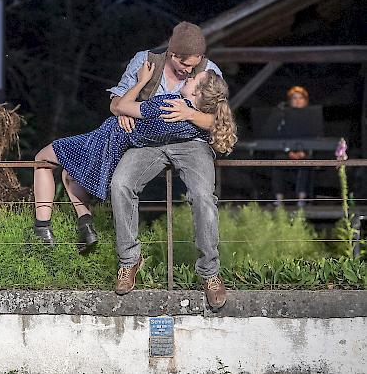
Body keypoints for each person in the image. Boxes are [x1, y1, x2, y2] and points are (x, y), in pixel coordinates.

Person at [32, 64, 235, 254]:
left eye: (193, 79)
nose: (188, 77)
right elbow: (215, 124)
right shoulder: (192, 126)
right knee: (70, 173)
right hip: (118, 148)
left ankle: (42, 230)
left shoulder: (167, 105)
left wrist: (141, 81)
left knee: (42, 158)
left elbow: (121, 106)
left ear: (197, 92)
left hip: (104, 140)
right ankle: (86, 226)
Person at [108, 22, 235, 310]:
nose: (190, 72)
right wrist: (122, 113)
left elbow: (216, 121)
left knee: (203, 194)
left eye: (194, 66)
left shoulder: (208, 70)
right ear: (173, 53)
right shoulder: (145, 61)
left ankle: (210, 272)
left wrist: (189, 113)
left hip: (191, 142)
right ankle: (129, 261)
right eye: (186, 65)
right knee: (121, 184)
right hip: (149, 142)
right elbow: (117, 102)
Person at [272, 86, 313, 207]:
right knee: (276, 162)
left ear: (305, 101)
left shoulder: (311, 118)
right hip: (285, 153)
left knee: (306, 163)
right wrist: (288, 151)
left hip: (304, 153)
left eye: (301, 98)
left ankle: (301, 198)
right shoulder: (283, 117)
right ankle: (279, 198)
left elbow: (314, 137)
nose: (298, 100)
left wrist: (303, 152)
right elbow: (278, 136)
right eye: (294, 98)